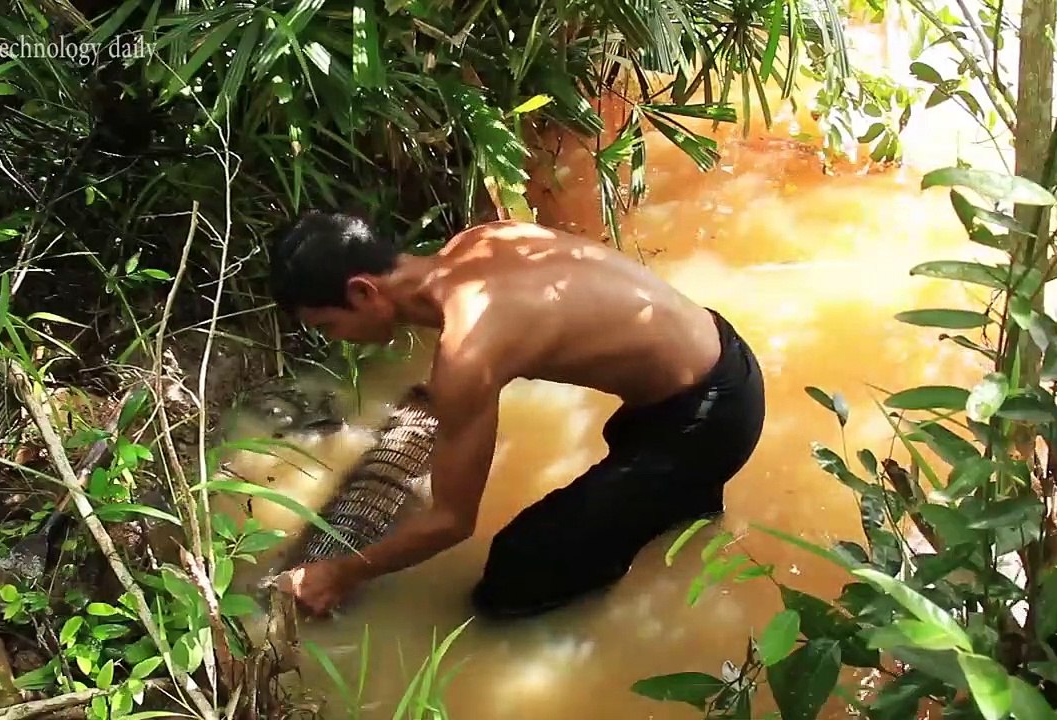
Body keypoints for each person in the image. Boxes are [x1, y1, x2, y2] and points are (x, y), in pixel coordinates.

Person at [268, 211, 766, 620]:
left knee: (516, 576)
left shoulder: (468, 350)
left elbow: (451, 522)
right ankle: (686, 506)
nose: (334, 339)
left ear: (362, 292)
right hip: (723, 356)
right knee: (630, 457)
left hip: (710, 416)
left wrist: (338, 574)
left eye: (328, 326)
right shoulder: (484, 240)